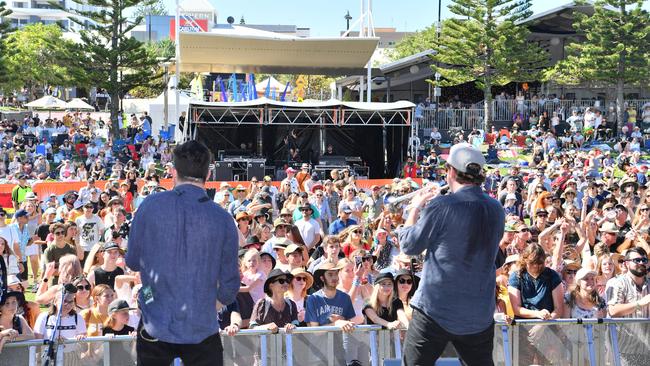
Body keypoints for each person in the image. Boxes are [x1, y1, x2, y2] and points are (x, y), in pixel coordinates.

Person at [126, 140, 240, 366]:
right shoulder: (224, 219)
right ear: (208, 173)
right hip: (202, 328)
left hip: (155, 325)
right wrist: (206, 306)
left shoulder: (150, 206)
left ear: (174, 172)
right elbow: (228, 289)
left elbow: (132, 261)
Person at [399, 143, 505, 366]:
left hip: (435, 309)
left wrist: (414, 209)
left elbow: (409, 245)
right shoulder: (496, 208)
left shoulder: (442, 205)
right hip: (478, 314)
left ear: (452, 172)